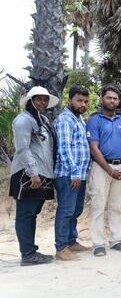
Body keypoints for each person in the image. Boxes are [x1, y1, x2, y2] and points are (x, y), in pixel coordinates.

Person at [10, 87, 58, 266]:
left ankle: (31, 251)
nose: (43, 103)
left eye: (45, 100)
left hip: (42, 173)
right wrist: (33, 173)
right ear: (30, 101)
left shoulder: (42, 119)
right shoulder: (23, 120)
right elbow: (22, 148)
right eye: (38, 99)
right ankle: (28, 254)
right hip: (28, 174)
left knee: (32, 214)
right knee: (25, 214)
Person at [86, 85, 121, 257]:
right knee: (98, 205)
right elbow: (94, 148)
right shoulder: (94, 120)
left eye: (115, 98)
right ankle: (98, 243)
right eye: (109, 98)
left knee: (117, 206)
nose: (112, 101)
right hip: (101, 168)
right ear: (102, 99)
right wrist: (109, 170)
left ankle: (116, 240)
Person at [53, 86, 91, 261]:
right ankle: (61, 248)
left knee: (76, 209)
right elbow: (64, 148)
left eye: (85, 101)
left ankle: (71, 240)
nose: (82, 104)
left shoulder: (80, 119)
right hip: (68, 174)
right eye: (79, 100)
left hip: (80, 174)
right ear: (70, 101)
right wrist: (74, 172)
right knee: (66, 210)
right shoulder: (65, 120)